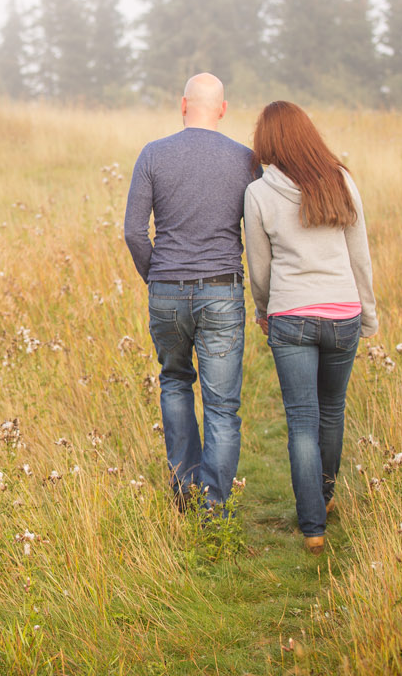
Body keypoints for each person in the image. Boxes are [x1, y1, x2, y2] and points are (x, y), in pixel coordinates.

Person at [243, 101, 377, 554]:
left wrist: (264, 310)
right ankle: (325, 495)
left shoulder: (259, 193)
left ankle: (312, 527)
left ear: (267, 142)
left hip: (292, 316)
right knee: (332, 411)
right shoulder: (341, 181)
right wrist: (369, 314)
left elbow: (259, 268)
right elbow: (360, 257)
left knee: (302, 420)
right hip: (343, 314)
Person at [124, 73, 259, 513]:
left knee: (176, 383)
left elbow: (133, 232)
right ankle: (214, 508)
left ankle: (184, 490)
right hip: (222, 290)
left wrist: (156, 276)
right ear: (222, 108)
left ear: (183, 105)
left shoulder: (153, 154)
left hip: (166, 290)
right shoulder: (245, 160)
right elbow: (256, 232)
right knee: (222, 406)